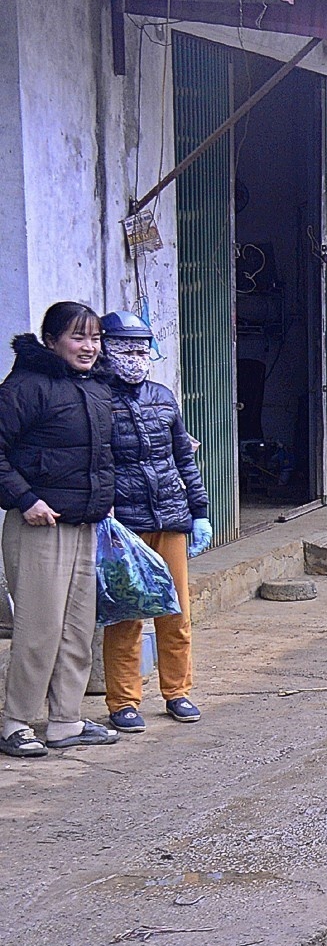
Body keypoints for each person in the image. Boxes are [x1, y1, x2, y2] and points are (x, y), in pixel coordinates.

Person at [0, 302, 117, 756]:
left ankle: (65, 721)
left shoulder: (96, 387)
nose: (89, 347)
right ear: (51, 341)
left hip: (85, 523)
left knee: (77, 628)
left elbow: (101, 456)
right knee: (39, 628)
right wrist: (25, 499)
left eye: (95, 338)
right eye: (78, 337)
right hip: (40, 524)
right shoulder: (26, 386)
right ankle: (16, 722)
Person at [97, 312, 210, 732]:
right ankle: (123, 701)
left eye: (141, 349)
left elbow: (183, 458)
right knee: (126, 616)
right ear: (106, 351)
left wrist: (199, 512)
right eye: (124, 349)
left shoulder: (163, 397)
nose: (134, 357)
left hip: (170, 517)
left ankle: (177, 691)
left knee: (175, 612)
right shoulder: (96, 398)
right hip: (124, 526)